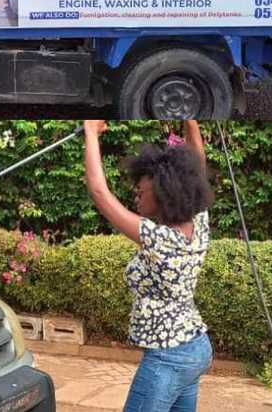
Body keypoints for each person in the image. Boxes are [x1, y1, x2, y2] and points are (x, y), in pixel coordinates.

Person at [82, 120, 214, 412]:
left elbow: (100, 194)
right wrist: (190, 121)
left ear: (166, 194)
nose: (136, 198)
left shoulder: (161, 239)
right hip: (194, 346)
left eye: (141, 193)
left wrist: (90, 133)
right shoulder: (198, 223)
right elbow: (197, 167)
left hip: (170, 355)